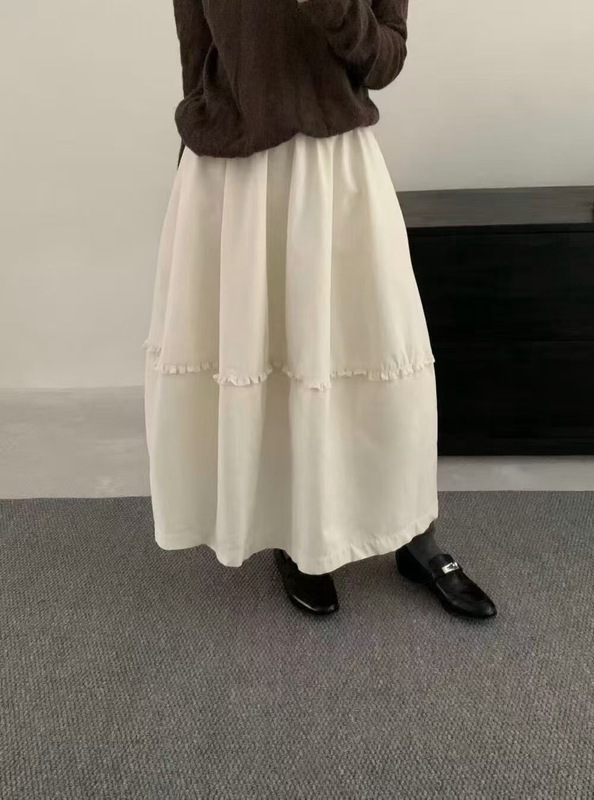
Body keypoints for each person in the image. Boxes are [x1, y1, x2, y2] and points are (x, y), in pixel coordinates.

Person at [144, 0, 496, 619]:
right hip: (235, 176)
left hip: (337, 167)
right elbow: (196, 58)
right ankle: (298, 537)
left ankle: (416, 537)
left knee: (379, 347)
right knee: (278, 355)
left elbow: (386, 60)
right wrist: (195, 179)